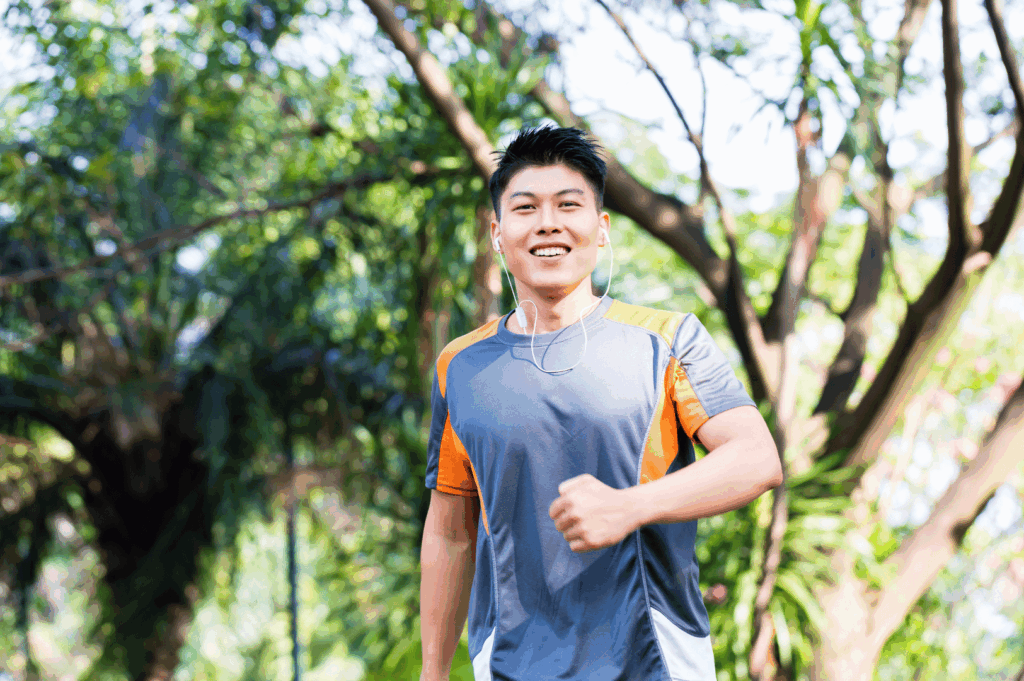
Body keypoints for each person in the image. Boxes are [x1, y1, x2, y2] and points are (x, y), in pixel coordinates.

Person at [419, 125, 782, 681]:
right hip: (511, 666)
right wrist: (432, 674)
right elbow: (450, 529)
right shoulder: (459, 365)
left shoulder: (668, 338)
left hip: (654, 660)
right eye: (525, 207)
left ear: (601, 229)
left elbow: (757, 460)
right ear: (497, 233)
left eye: (569, 205)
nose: (548, 222)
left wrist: (630, 507)